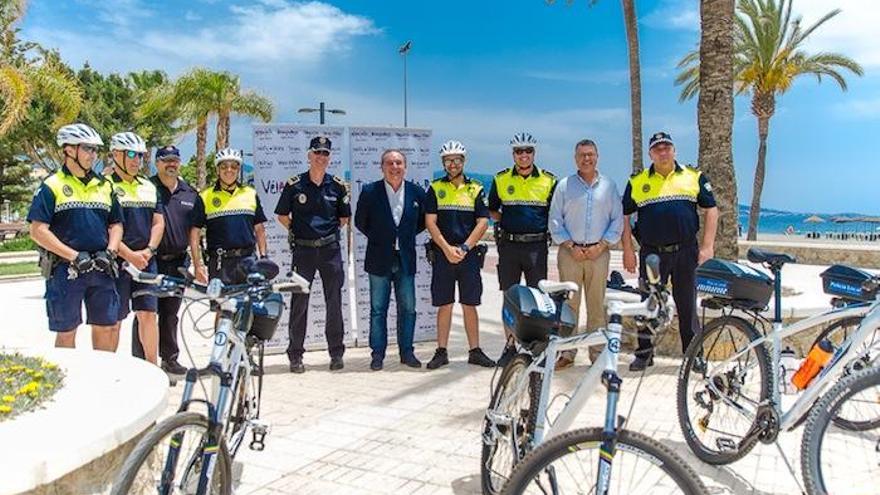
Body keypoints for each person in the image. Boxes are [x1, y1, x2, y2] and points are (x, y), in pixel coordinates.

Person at [621, 131, 719, 371]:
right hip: (652, 253)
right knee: (647, 304)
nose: (662, 152)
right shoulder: (637, 181)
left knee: (687, 305)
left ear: (674, 150)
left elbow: (712, 210)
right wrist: (628, 250)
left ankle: (693, 355)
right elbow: (624, 216)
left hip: (685, 251)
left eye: (666, 147)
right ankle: (644, 355)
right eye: (657, 148)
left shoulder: (693, 176)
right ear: (650, 154)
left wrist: (708, 246)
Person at [27, 123, 123, 349]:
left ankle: (101, 380)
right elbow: (37, 230)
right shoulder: (52, 186)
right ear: (69, 150)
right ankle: (69, 381)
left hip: (101, 266)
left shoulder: (104, 185)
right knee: (67, 331)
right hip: (66, 270)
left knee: (107, 327)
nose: (93, 155)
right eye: (88, 149)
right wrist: (73, 256)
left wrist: (111, 250)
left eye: (95, 150)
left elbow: (116, 223)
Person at [275, 136, 350, 373]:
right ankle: (295, 355)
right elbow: (282, 216)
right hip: (304, 251)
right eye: (317, 152)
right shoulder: (294, 185)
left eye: (325, 153)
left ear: (329, 157)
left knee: (334, 303)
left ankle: (336, 353)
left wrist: (325, 235)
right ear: (309, 155)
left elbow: (344, 218)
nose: (321, 157)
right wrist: (299, 232)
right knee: (300, 304)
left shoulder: (337, 186)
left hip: (329, 251)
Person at [548, 139, 623, 370]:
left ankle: (597, 354)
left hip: (599, 253)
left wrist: (601, 246)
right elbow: (554, 220)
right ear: (575, 158)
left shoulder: (609, 187)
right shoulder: (564, 186)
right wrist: (571, 246)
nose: (586, 159)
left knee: (596, 305)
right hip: (570, 253)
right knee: (569, 307)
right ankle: (567, 354)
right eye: (582, 155)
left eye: (590, 154)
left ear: (597, 156)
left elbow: (617, 220)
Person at [424, 140, 495, 370]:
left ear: (463, 162)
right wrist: (446, 249)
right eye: (448, 161)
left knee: (469, 303)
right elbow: (430, 222)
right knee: (444, 304)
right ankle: (441, 351)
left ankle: (474, 351)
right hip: (443, 255)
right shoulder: (435, 188)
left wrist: (465, 248)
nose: (452, 164)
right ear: (443, 163)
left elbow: (483, 221)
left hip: (469, 256)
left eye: (456, 160)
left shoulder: (475, 188)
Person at [488, 132, 557, 367]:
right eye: (519, 151)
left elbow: (555, 213)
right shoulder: (500, 180)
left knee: (539, 298)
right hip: (509, 247)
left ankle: (539, 348)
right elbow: (493, 210)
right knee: (510, 297)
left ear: (534, 153)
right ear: (513, 154)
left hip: (537, 247)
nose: (523, 155)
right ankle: (509, 346)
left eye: (528, 151)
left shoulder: (549, 181)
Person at [354, 149, 426, 371]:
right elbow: (360, 222)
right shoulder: (369, 191)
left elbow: (422, 223)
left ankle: (407, 352)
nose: (394, 167)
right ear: (382, 167)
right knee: (378, 309)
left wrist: (402, 237)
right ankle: (377, 354)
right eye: (390, 163)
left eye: (399, 163)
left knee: (409, 309)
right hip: (378, 259)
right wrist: (382, 238)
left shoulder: (417, 192)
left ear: (405, 167)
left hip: (405, 258)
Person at [131, 145, 197, 375]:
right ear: (157, 163)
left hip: (178, 262)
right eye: (166, 160)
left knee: (170, 314)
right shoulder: (147, 189)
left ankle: (170, 359)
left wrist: (198, 264)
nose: (171, 164)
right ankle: (141, 363)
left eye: (175, 160)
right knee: (146, 312)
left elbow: (194, 231)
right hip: (153, 261)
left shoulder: (190, 193)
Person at [107, 132, 164, 364]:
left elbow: (159, 222)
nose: (136, 160)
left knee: (149, 315)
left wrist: (148, 251)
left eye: (140, 155)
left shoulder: (149, 186)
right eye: (131, 154)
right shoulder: (104, 186)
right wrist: (128, 255)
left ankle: (153, 367)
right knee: (113, 320)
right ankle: (109, 371)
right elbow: (104, 228)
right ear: (115, 154)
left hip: (146, 261)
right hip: (117, 262)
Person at [189, 147, 268, 286]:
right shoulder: (205, 196)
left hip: (249, 262)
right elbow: (194, 233)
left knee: (250, 306)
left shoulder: (250, 194)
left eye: (234, 166)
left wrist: (264, 257)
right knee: (222, 307)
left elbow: (259, 228)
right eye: (224, 166)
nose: (229, 170)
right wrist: (197, 265)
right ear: (217, 170)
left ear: (238, 169)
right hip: (220, 265)